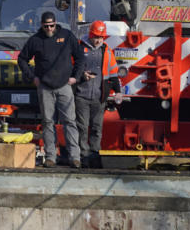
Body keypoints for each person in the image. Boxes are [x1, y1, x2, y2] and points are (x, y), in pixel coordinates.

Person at [17, 12, 85, 168]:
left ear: (56, 24)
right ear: (41, 25)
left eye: (51, 26)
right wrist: (32, 77)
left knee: (70, 122)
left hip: (65, 86)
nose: (49, 28)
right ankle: (50, 157)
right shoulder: (36, 40)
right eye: (46, 26)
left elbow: (80, 57)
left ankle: (75, 157)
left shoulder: (67, 36)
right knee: (48, 122)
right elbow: (22, 59)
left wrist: (76, 77)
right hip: (45, 87)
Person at [74, 20, 121, 169]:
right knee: (82, 127)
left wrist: (118, 91)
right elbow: (71, 69)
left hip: (99, 98)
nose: (98, 40)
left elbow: (113, 73)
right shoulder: (80, 48)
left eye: (101, 37)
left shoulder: (106, 51)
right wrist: (82, 75)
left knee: (96, 128)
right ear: (90, 35)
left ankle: (94, 156)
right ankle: (83, 157)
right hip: (81, 96)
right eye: (96, 37)